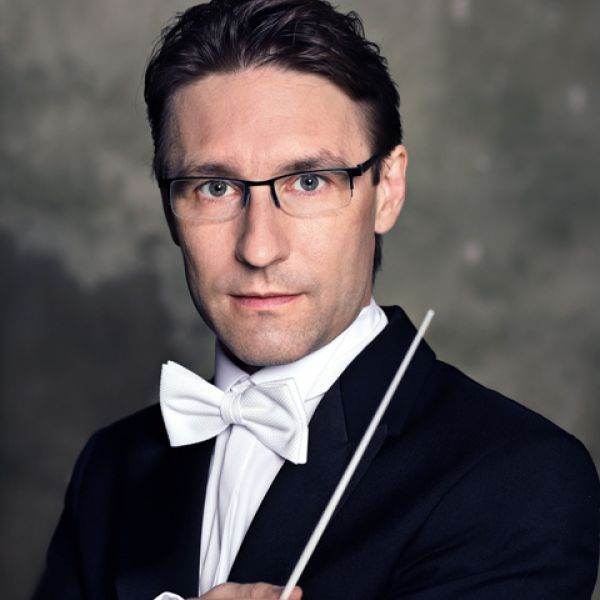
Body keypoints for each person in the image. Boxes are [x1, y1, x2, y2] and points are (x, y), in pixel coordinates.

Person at [34, 0, 599, 598]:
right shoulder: (111, 468)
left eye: (308, 182)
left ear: (387, 190)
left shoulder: (519, 474)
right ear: (170, 209)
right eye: (214, 187)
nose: (259, 248)